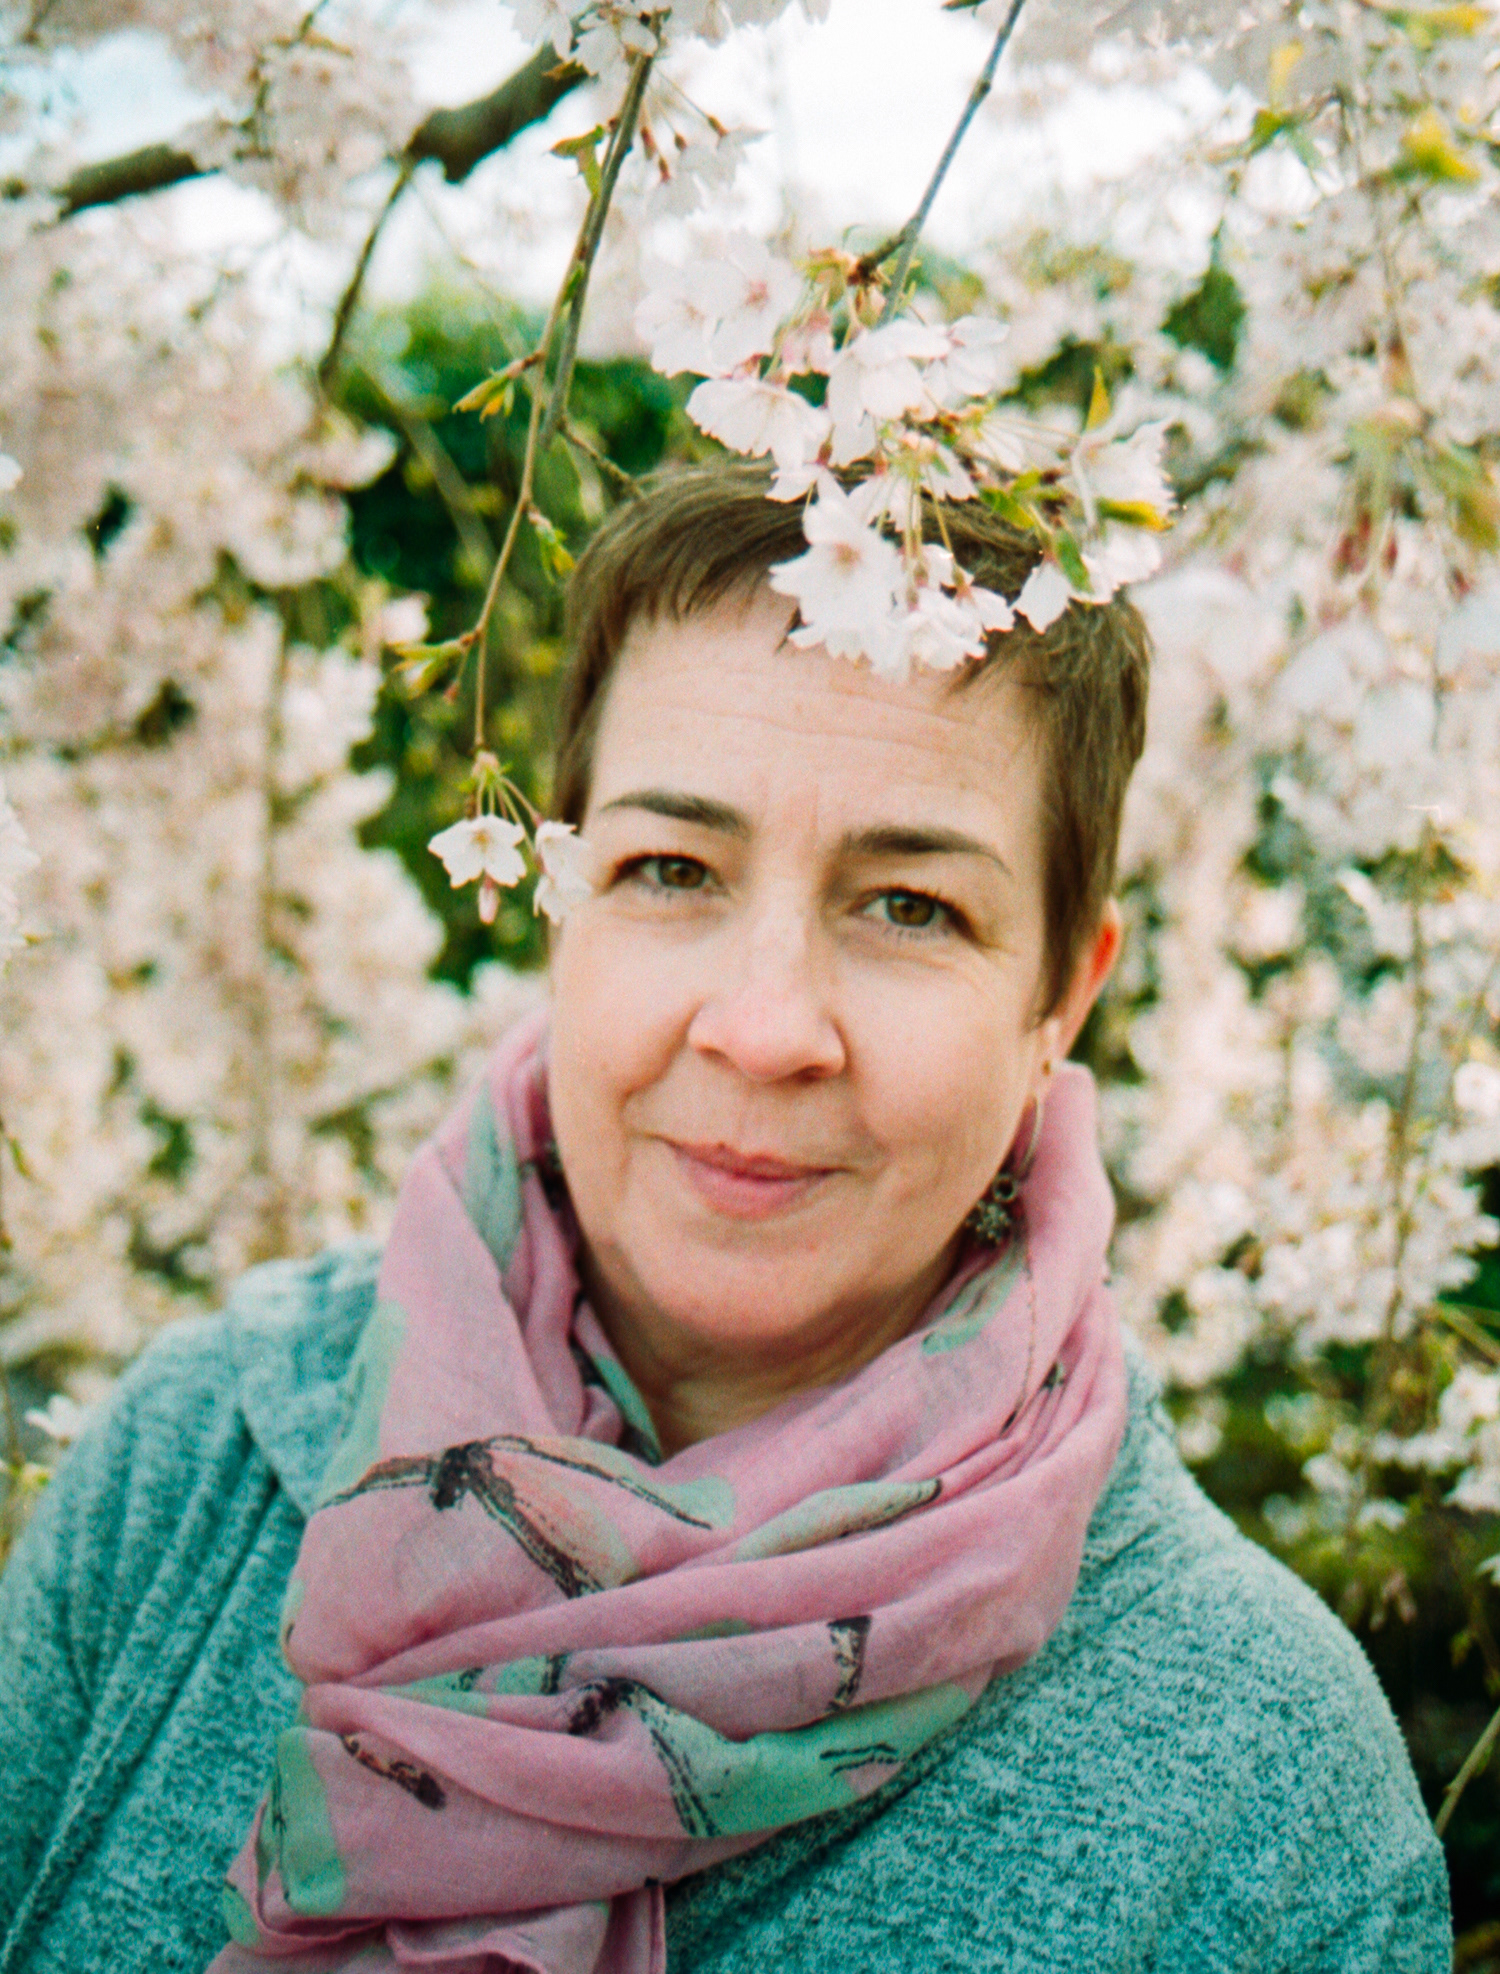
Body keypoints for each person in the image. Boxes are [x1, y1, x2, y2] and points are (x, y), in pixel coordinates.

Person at [0, 467, 1450, 1974]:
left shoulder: (1258, 1785)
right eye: (671, 870)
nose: (763, 1028)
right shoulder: (195, 1468)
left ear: (1061, 997)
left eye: (910, 906)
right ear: (559, 904)